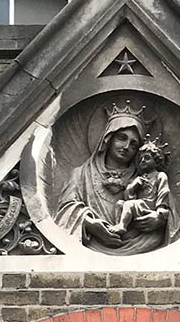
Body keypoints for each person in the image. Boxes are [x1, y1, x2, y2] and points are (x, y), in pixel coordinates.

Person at [54, 102, 170, 255]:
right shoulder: (81, 175)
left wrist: (159, 219)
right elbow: (64, 212)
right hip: (91, 249)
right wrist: (90, 224)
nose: (127, 146)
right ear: (108, 139)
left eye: (134, 144)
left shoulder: (146, 177)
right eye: (121, 138)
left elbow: (168, 210)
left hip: (141, 244)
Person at [107, 138, 171, 239]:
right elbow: (128, 196)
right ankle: (122, 229)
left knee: (130, 204)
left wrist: (160, 210)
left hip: (148, 207)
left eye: (147, 158)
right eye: (141, 159)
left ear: (157, 161)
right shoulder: (139, 178)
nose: (143, 160)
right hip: (139, 206)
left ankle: (122, 226)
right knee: (120, 204)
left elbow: (164, 192)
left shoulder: (160, 175)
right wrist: (134, 186)